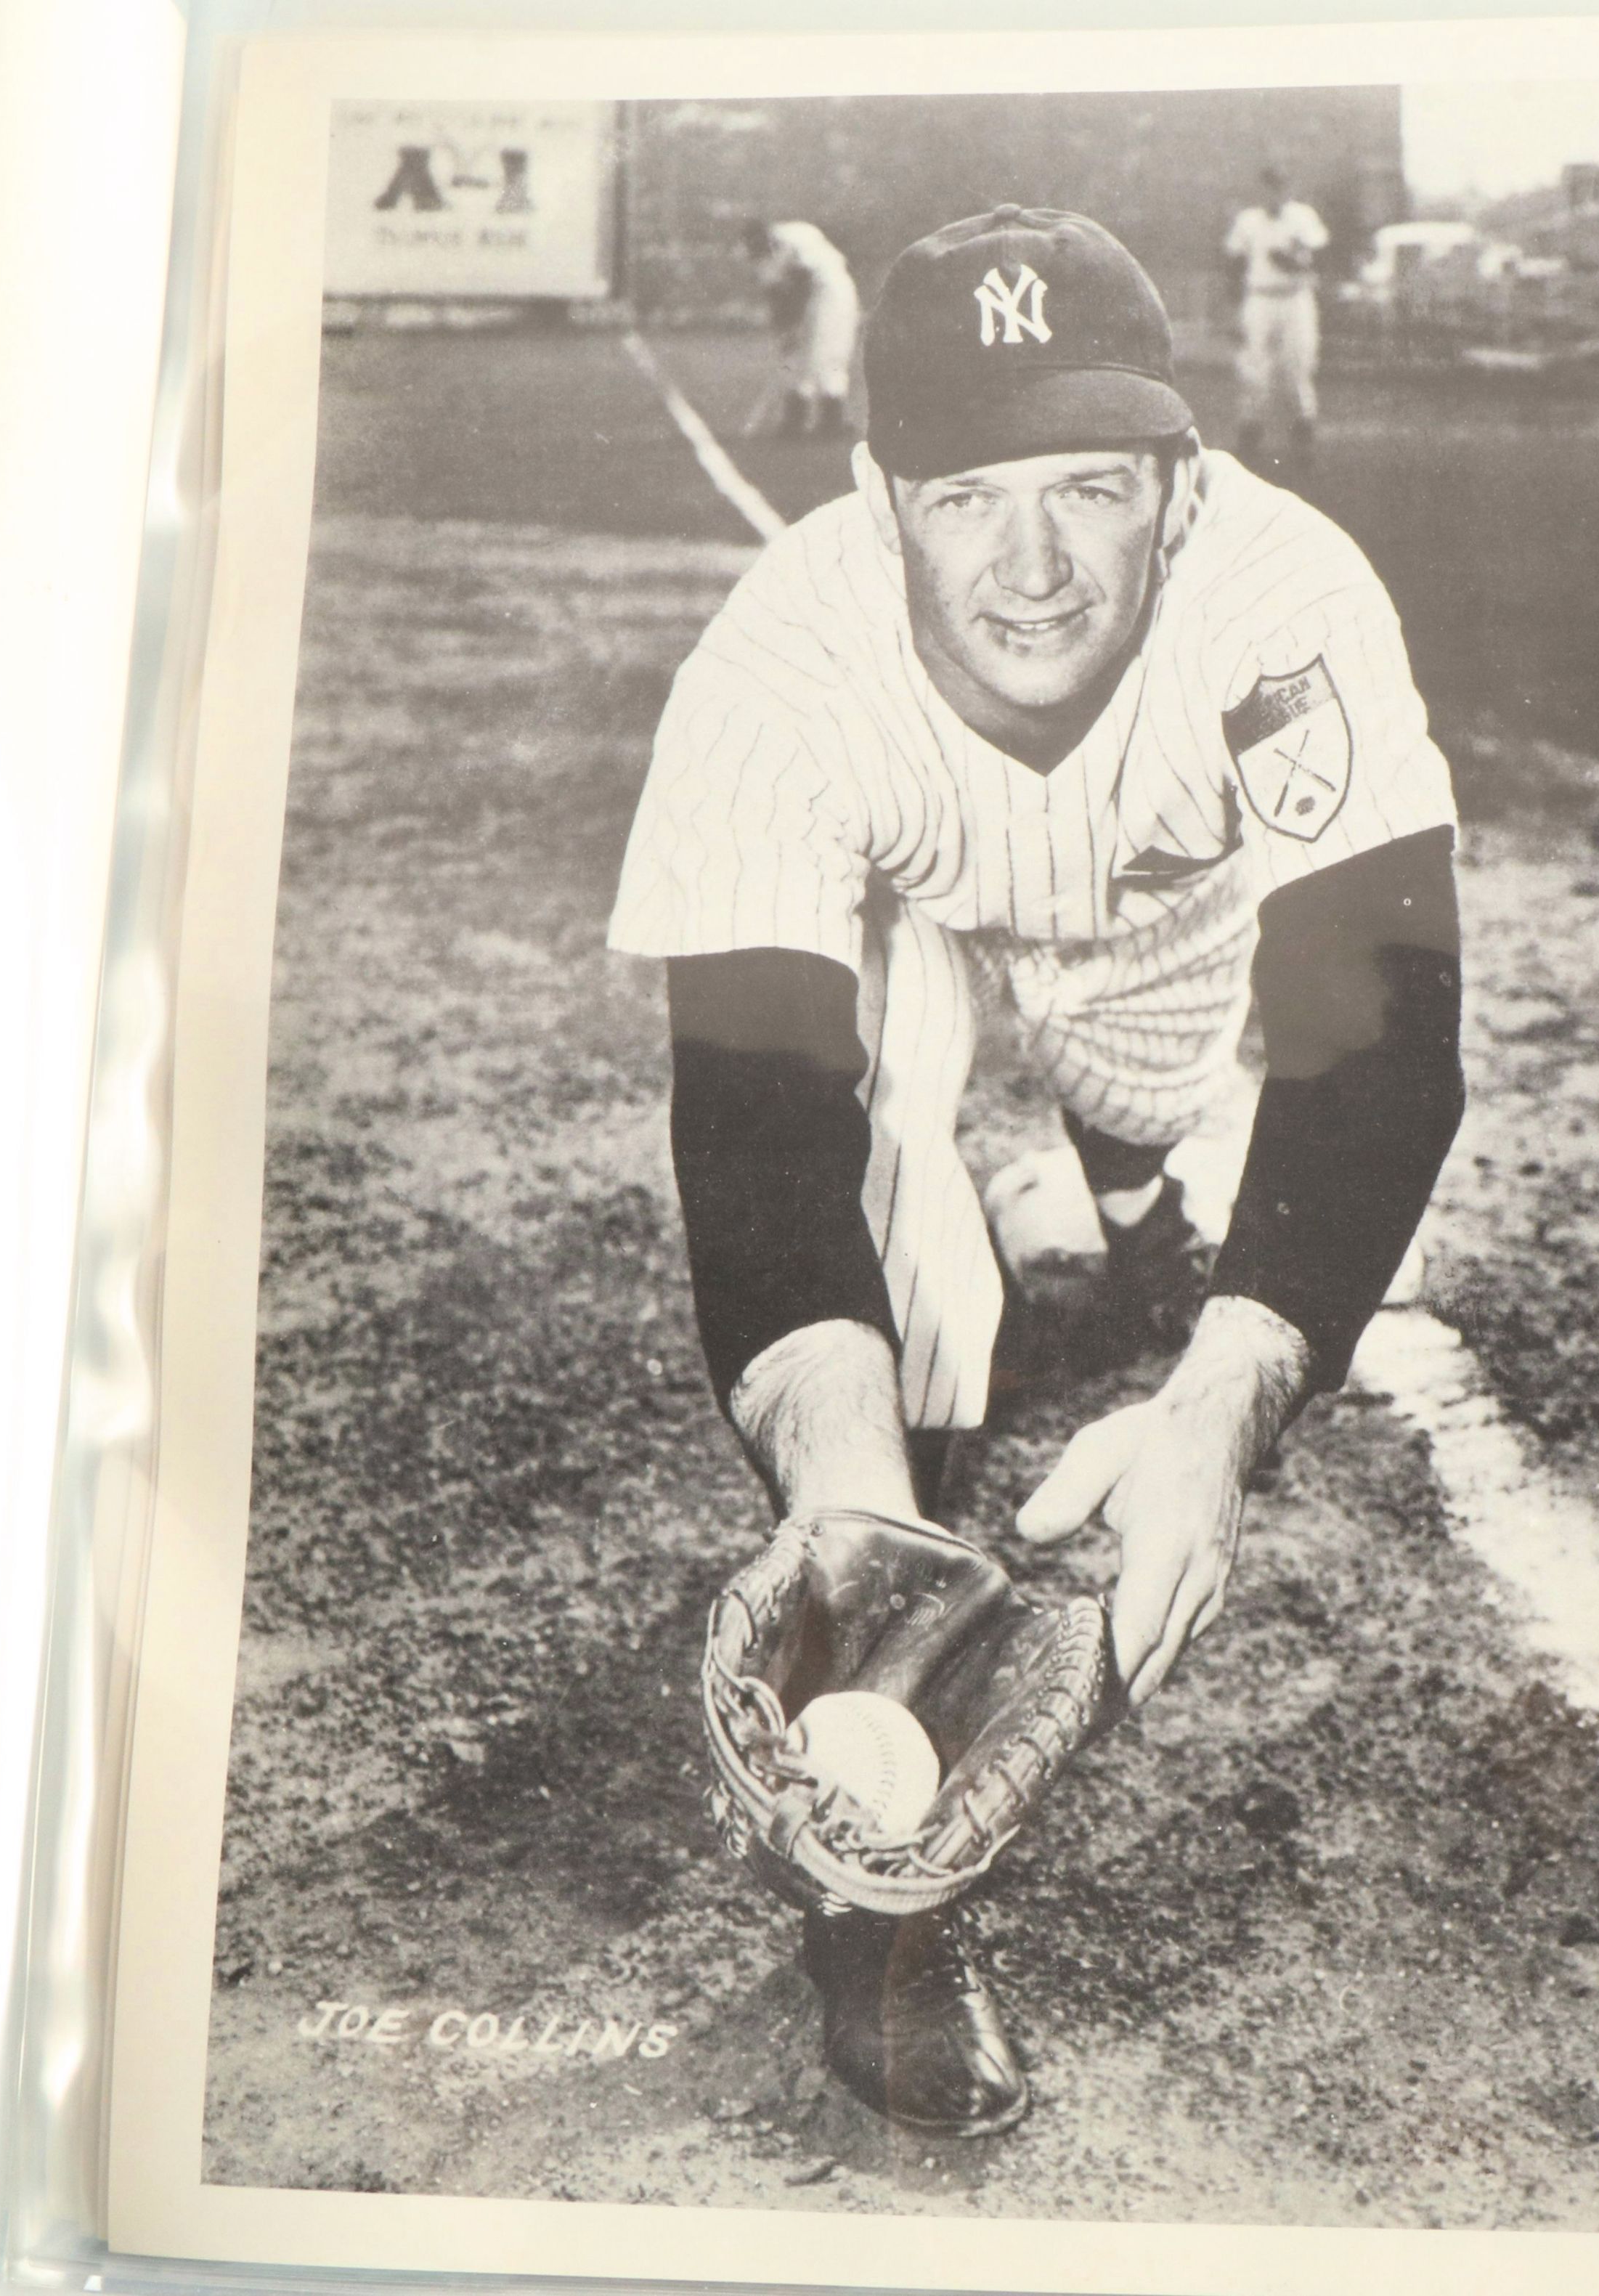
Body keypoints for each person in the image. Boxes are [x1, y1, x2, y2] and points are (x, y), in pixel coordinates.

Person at [609, 205, 1463, 2136]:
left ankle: (1143, 1204)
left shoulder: (1279, 599)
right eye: (968, 495)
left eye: (1093, 485)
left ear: (1179, 481)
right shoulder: (785, 667)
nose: (1035, 564)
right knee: (915, 1244)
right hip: (909, 902)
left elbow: (1383, 1041)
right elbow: (759, 1125)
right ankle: (881, 1916)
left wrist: (1222, 1417)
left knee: (1161, 1124)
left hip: (1165, 916)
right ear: (875, 489)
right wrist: (844, 1514)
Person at [1222, 164, 1331, 469]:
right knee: (1254, 367)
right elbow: (1233, 262)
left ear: (1289, 189)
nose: (1276, 193)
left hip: (1295, 298)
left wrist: (1294, 263)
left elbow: (1320, 255)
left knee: (1298, 365)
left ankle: (1303, 433)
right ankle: (1250, 433)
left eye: (1281, 187)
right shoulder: (1249, 221)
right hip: (1260, 297)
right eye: (1270, 187)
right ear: (1262, 190)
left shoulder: (1303, 217)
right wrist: (1233, 310)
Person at [739, 218, 860, 438]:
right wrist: (786, 330)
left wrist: (794, 324)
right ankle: (799, 419)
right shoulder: (766, 255)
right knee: (802, 357)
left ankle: (829, 419)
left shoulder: (792, 237)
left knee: (828, 353)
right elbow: (777, 295)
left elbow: (802, 279)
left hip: (831, 291)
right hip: (816, 295)